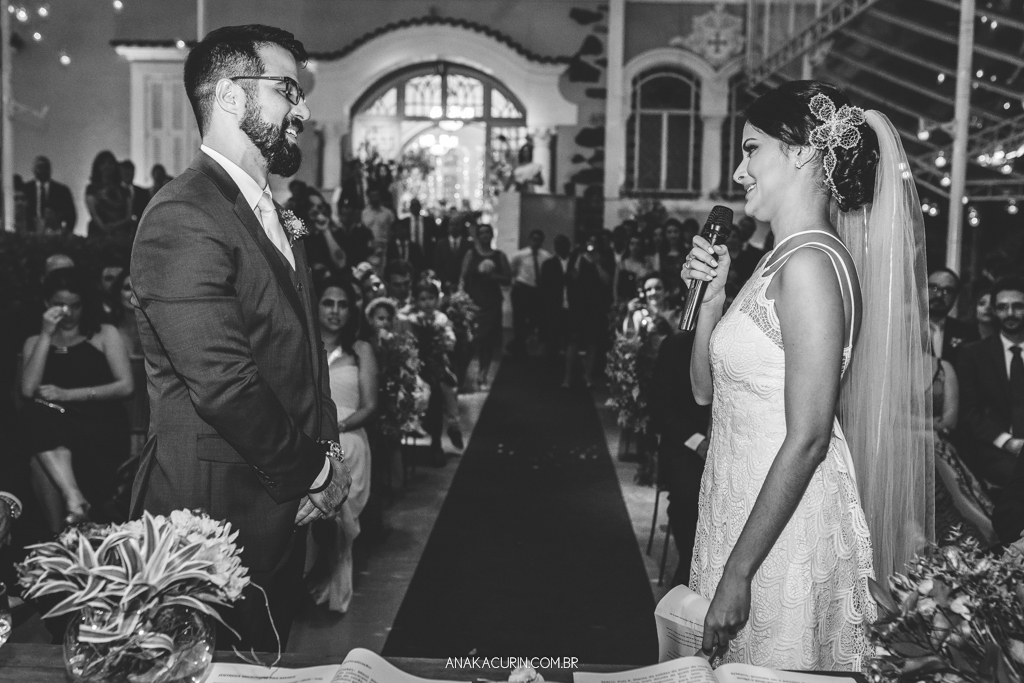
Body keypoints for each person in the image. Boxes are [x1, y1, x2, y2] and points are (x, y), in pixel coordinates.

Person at [685, 81, 933, 667]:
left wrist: (739, 573)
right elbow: (703, 393)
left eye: (751, 149)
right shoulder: (775, 259)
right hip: (737, 500)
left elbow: (811, 435)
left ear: (799, 152)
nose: (741, 171)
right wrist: (713, 301)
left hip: (782, 532)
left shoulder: (811, 265)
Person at [130, 24, 352, 651]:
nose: (303, 109)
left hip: (277, 497)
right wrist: (311, 471)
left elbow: (306, 354)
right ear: (229, 95)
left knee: (265, 661)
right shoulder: (183, 216)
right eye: (288, 90)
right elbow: (225, 385)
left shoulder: (269, 209)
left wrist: (327, 451)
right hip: (212, 516)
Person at [20, 268, 133, 533]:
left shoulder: (105, 334)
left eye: (75, 305)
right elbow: (27, 390)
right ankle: (72, 507)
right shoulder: (35, 342)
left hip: (100, 430)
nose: (68, 313)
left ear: (85, 304)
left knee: (40, 450)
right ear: (47, 304)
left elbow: (126, 386)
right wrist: (47, 335)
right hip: (53, 431)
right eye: (59, 304)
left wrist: (68, 395)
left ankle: (58, 538)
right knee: (34, 418)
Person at [306, 276, 376, 613]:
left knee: (337, 522)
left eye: (343, 304)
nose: (335, 311)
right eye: (328, 303)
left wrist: (336, 428)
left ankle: (329, 584)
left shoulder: (360, 349)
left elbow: (371, 405)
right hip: (308, 440)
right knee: (309, 515)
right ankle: (310, 583)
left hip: (348, 439)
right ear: (316, 305)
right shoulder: (305, 343)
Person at [649, 330, 710, 587]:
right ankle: (689, 570)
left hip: (730, 446)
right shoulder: (678, 345)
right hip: (685, 444)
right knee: (687, 500)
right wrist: (700, 444)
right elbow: (661, 409)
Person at [957, 276, 1024, 488]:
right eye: (1003, 307)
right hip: (996, 449)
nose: (1010, 314)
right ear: (994, 311)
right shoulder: (974, 354)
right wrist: (1008, 443)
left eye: (1018, 306)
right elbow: (969, 411)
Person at [460, 223, 511, 391]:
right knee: (471, 339)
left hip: (491, 302)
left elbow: (507, 279)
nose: (484, 236)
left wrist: (492, 275)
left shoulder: (499, 255)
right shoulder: (471, 254)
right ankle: (464, 374)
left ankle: (483, 373)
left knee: (488, 341)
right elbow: (464, 276)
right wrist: (460, 295)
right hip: (473, 301)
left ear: (491, 235)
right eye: (481, 233)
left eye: (487, 233)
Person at [562, 232, 612, 389]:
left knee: (592, 342)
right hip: (579, 305)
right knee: (574, 341)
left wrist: (597, 263)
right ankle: (567, 376)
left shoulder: (603, 258)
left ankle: (588, 375)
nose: (592, 245)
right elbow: (572, 277)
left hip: (596, 305)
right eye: (589, 241)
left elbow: (607, 281)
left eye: (595, 242)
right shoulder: (577, 256)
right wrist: (580, 257)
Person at [508, 229, 551, 358]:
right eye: (534, 239)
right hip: (522, 287)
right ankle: (519, 345)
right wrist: (514, 282)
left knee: (535, 319)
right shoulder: (520, 255)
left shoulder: (545, 256)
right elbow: (512, 269)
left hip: (536, 290)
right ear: (530, 240)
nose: (536, 242)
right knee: (519, 319)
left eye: (538, 240)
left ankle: (520, 342)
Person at [928, 268, 979, 367]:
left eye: (947, 291)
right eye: (934, 288)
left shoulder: (968, 333)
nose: (939, 295)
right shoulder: (905, 329)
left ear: (955, 297)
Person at [539, 235, 572, 370]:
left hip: (571, 305)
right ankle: (551, 365)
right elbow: (544, 287)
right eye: (558, 245)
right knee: (553, 337)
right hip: (554, 305)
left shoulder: (575, 262)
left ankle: (568, 364)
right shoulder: (549, 264)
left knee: (570, 338)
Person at [85, 151, 133, 238]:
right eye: (103, 163)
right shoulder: (92, 189)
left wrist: (114, 226)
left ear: (115, 166)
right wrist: (103, 227)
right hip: (98, 235)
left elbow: (128, 216)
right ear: (98, 167)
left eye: (110, 163)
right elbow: (94, 214)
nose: (107, 166)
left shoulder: (124, 191)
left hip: (121, 235)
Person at [24, 156, 76, 233]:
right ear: (33, 170)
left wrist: (65, 233)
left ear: (50, 170)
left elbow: (71, 215)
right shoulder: (25, 189)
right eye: (39, 167)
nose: (43, 171)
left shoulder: (62, 191)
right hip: (29, 233)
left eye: (45, 167)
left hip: (55, 234)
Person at [303, 188, 349, 277]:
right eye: (311, 206)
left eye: (320, 206)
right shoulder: (300, 236)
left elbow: (341, 263)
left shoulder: (336, 231)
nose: (316, 210)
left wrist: (326, 230)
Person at [615, 233, 656, 307]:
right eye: (632, 243)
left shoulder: (645, 265)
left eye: (638, 244)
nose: (635, 247)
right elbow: (615, 286)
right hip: (624, 302)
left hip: (640, 302)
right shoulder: (622, 264)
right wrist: (616, 302)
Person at [433, 218, 469, 291]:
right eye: (452, 225)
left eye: (457, 225)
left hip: (464, 286)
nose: (454, 227)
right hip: (446, 286)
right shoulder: (441, 244)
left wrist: (461, 282)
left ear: (461, 226)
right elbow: (437, 265)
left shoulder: (468, 244)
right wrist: (447, 282)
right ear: (448, 227)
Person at [658, 219, 687, 297]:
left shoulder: (686, 253)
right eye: (669, 232)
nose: (673, 235)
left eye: (676, 231)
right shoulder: (660, 254)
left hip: (683, 293)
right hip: (663, 294)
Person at [120, 159, 151, 229]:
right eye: (125, 172)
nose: (128, 174)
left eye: (130, 172)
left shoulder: (143, 192)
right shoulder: (116, 192)